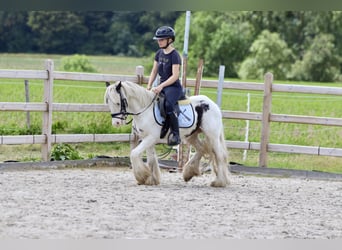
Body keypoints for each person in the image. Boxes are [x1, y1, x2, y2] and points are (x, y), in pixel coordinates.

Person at [147, 26, 182, 146]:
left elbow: (175, 76)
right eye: (158, 39)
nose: (159, 41)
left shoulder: (175, 55)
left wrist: (161, 86)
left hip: (173, 86)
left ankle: (176, 134)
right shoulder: (159, 53)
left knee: (167, 105)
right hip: (161, 85)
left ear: (170, 40)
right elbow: (154, 71)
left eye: (161, 39)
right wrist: (148, 86)